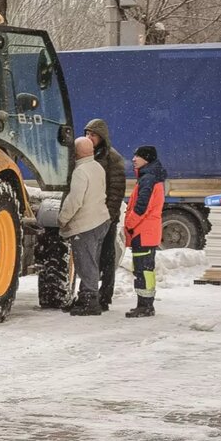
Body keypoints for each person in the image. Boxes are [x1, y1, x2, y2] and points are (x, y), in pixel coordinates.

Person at [57, 137, 111, 316]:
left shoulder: (80, 171)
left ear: (76, 152)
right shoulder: (97, 167)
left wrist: (63, 219)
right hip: (101, 221)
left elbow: (75, 200)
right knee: (92, 262)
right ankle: (85, 297)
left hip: (86, 224)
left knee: (85, 264)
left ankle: (89, 301)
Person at [84, 119, 126, 313]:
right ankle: (86, 294)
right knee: (88, 257)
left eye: (92, 134)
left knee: (106, 257)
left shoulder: (112, 158)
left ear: (101, 137)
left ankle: (105, 296)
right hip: (89, 215)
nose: (88, 138)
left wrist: (109, 215)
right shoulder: (85, 155)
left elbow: (116, 190)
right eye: (87, 134)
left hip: (105, 216)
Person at [125, 145, 166, 318]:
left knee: (143, 270)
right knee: (144, 270)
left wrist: (129, 224)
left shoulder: (148, 178)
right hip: (147, 232)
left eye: (138, 156)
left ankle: (145, 306)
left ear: (146, 159)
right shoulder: (150, 177)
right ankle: (144, 304)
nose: (133, 159)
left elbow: (141, 208)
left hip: (143, 232)